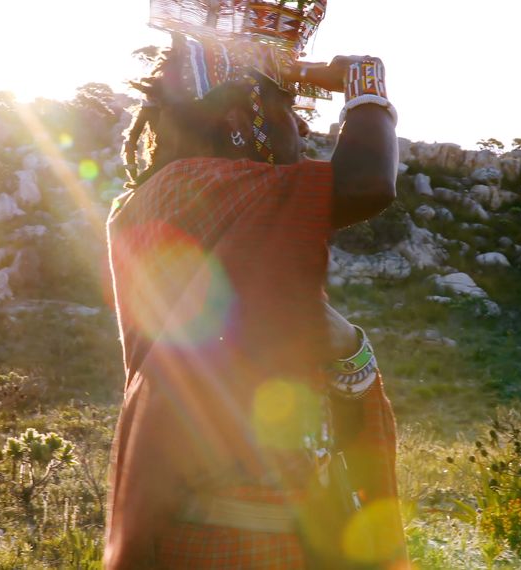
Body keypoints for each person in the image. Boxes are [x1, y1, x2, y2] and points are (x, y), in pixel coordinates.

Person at [104, 29, 406, 569]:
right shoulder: (188, 187)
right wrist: (366, 83)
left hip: (281, 540)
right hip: (225, 546)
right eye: (288, 108)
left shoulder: (203, 201)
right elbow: (367, 182)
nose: (302, 128)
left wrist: (350, 351)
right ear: (238, 119)